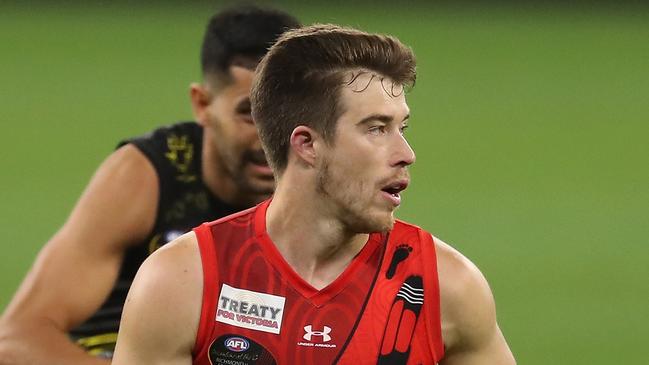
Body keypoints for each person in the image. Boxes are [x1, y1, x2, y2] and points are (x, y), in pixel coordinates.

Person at [111, 24, 516, 364]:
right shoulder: (182, 282)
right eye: (376, 128)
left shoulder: (445, 288)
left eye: (401, 128)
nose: (405, 155)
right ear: (306, 144)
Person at [0, 5, 300, 363]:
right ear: (202, 105)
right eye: (249, 114)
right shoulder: (148, 177)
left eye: (289, 115)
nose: (270, 140)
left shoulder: (323, 178)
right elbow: (18, 338)